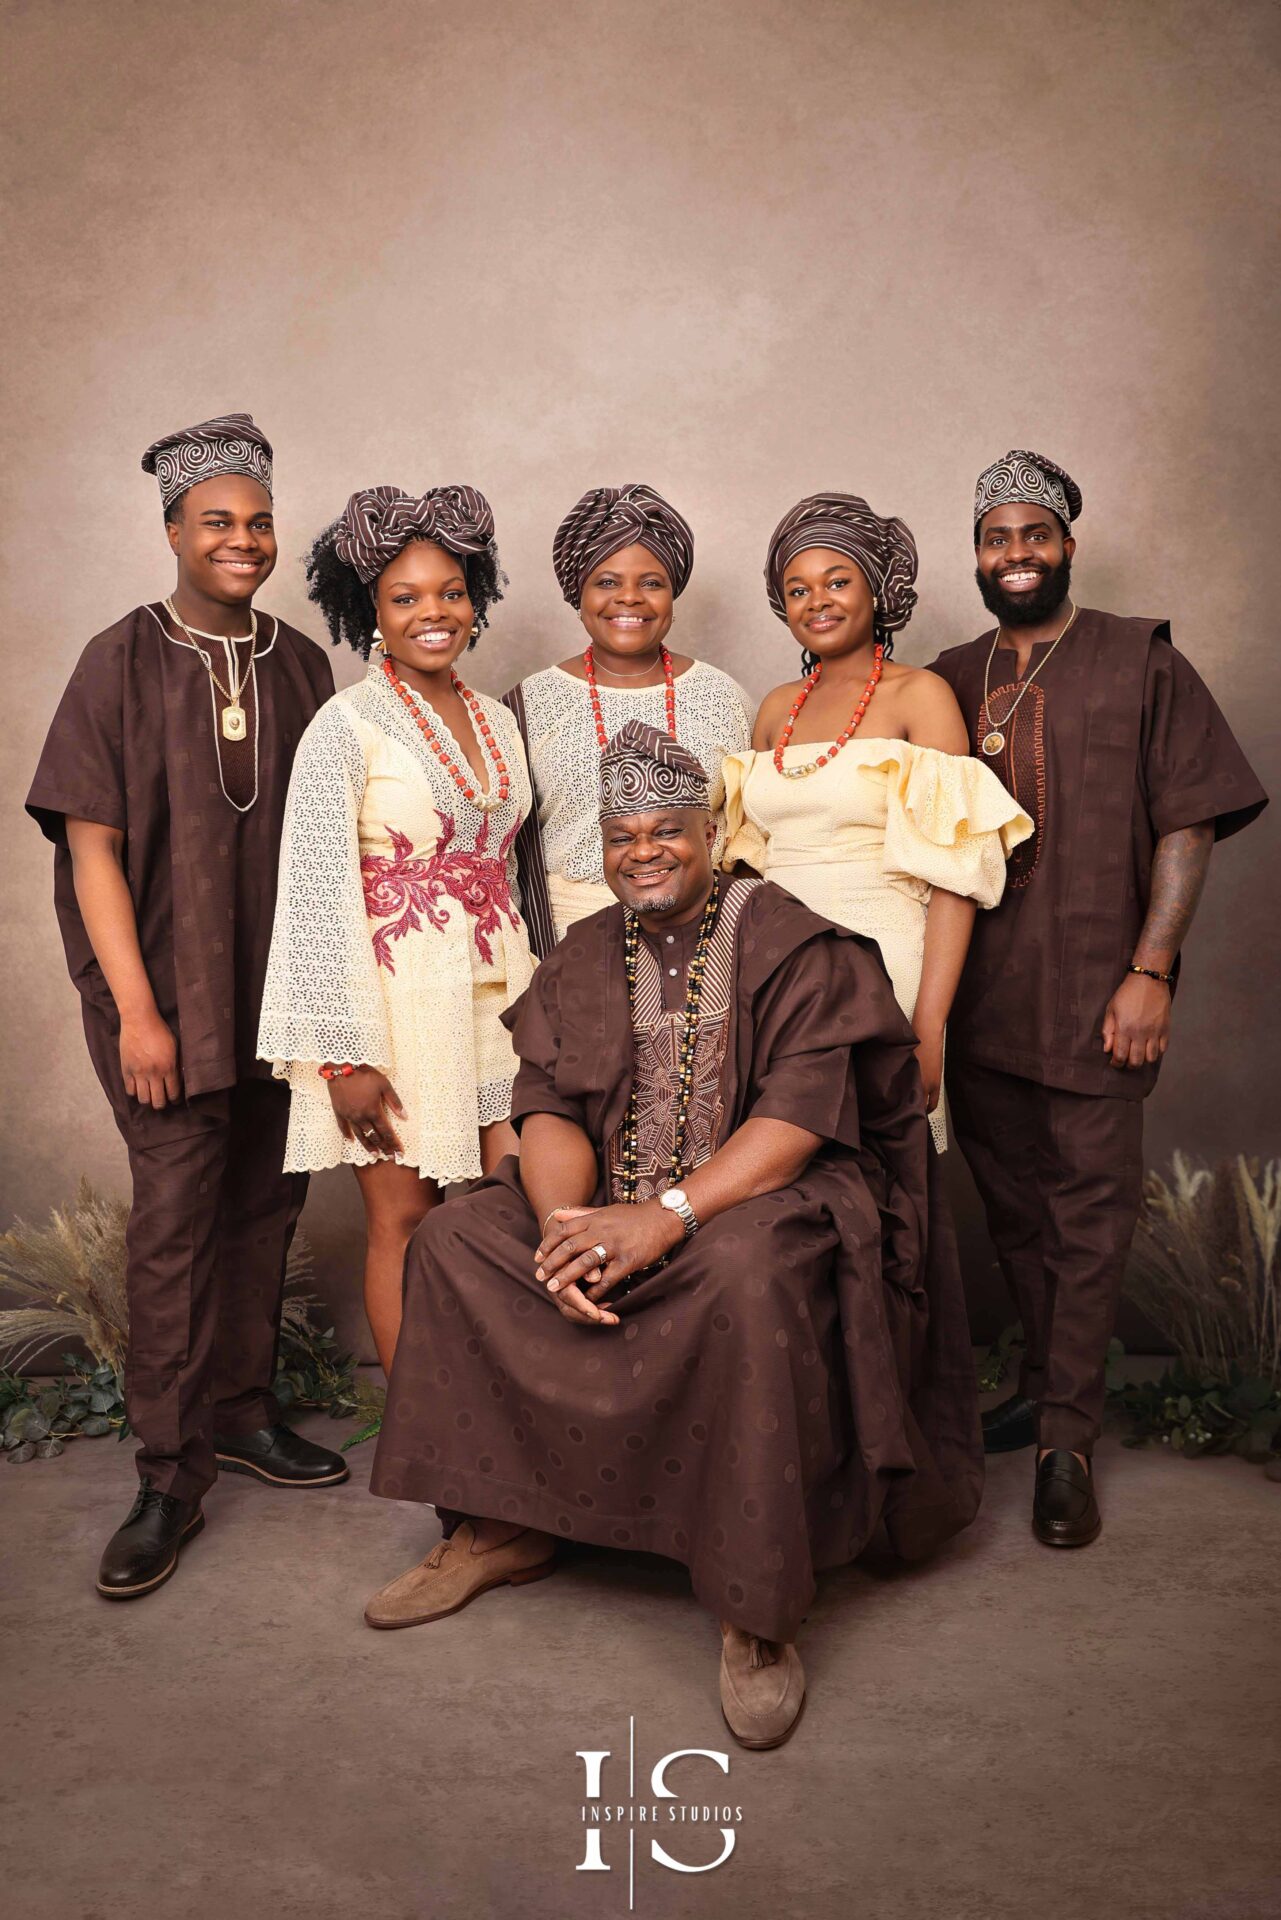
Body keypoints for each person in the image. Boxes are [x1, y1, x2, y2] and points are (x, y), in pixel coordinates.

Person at [365, 721, 981, 1751]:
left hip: (756, 1201)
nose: (643, 852)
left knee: (748, 1277)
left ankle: (757, 1606)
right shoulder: (581, 955)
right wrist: (569, 1230)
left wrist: (664, 1217)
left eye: (667, 832)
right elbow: (548, 1104)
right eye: (622, 837)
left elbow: (797, 1120)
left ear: (711, 834)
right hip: (612, 1202)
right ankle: (508, 1525)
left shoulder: (791, 938)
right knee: (457, 1242)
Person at [26, 413, 347, 1603]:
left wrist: (325, 1002)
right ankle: (169, 1477)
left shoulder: (302, 663)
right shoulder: (119, 657)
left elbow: (329, 845)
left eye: (259, 522)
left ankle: (243, 1414)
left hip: (281, 991)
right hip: (165, 997)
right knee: (175, 1226)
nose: (244, 540)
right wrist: (137, 1013)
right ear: (172, 530)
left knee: (266, 1207)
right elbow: (92, 846)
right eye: (218, 521)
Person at [929, 449, 1268, 1547]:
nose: (1015, 554)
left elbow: (1189, 818)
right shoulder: (950, 672)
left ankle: (1068, 1440)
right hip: (978, 999)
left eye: (1035, 534)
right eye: (996, 537)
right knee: (1016, 1211)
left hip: (1095, 993)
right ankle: (1043, 1389)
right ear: (975, 554)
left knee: (1088, 1215)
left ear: (1069, 542)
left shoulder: (1138, 659)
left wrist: (1152, 970)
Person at [257, 486, 536, 1376]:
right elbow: (309, 892)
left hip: (504, 1001)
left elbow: (510, 868)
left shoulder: (496, 718)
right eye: (406, 596)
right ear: (369, 610)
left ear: (476, 596)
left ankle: (512, 1419)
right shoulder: (343, 727)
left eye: (450, 591)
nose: (433, 613)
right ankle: (428, 1440)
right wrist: (341, 1057)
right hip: (396, 1012)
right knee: (406, 1220)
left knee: (519, 1202)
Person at [723, 492, 1031, 1152]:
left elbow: (954, 878)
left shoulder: (918, 695)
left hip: (882, 960)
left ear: (876, 590)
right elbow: (751, 862)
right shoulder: (776, 708)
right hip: (773, 968)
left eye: (838, 581)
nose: (818, 602)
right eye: (797, 589)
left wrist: (927, 1028)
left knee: (872, 1165)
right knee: (774, 1170)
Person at [502, 483, 753, 952]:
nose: (630, 598)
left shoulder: (723, 697)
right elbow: (507, 852)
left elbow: (748, 837)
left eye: (651, 583)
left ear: (673, 594)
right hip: (566, 942)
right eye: (607, 582)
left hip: (709, 942)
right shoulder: (524, 705)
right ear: (579, 594)